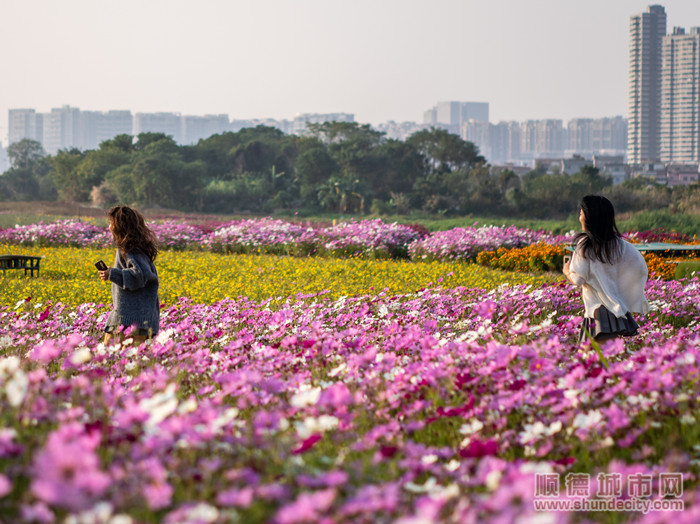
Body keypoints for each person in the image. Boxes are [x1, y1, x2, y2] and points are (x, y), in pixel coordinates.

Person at [563, 195, 649, 344]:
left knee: (604, 361)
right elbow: (640, 267)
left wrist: (566, 270)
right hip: (611, 309)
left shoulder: (585, 245)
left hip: (599, 311)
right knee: (590, 360)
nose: (579, 218)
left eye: (581, 213)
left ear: (590, 217)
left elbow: (578, 279)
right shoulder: (620, 245)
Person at [98, 205, 160, 346]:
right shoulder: (134, 248)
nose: (109, 227)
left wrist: (112, 273)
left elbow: (140, 276)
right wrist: (112, 272)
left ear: (120, 226)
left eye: (111, 223)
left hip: (131, 320)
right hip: (135, 317)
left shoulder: (129, 249)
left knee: (111, 357)